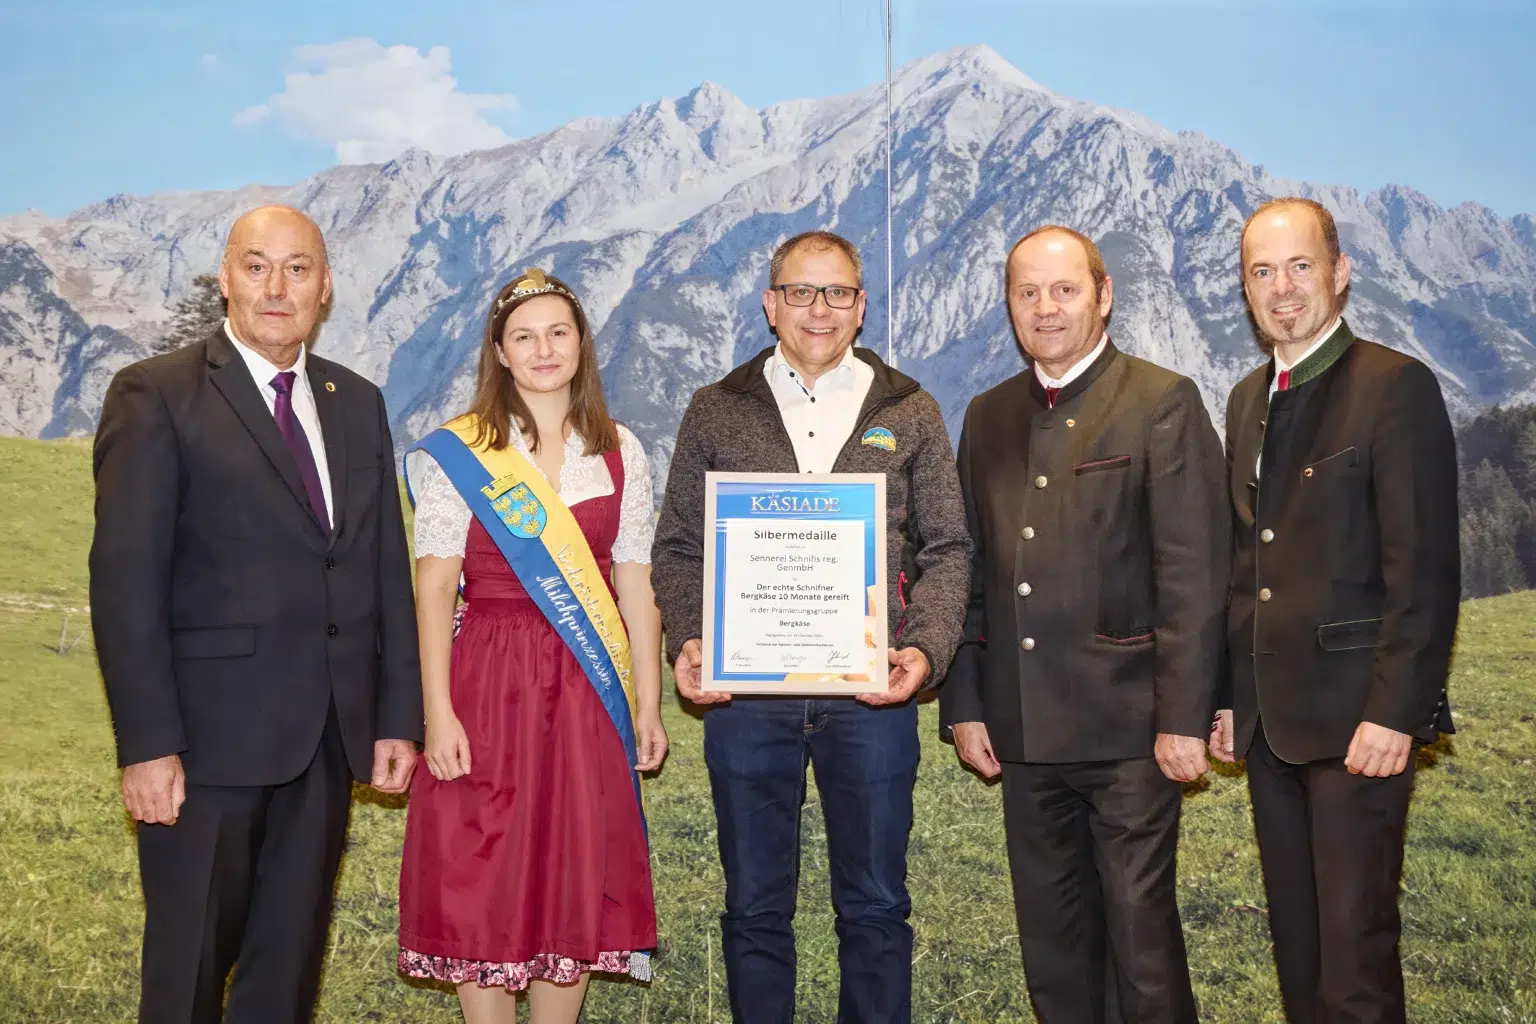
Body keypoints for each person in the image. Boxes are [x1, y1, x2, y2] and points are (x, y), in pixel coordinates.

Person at [89, 204, 423, 1024]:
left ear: (326, 287)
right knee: (187, 975)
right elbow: (126, 580)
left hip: (326, 741)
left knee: (286, 976)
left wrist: (396, 717)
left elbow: (381, 565)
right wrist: (148, 743)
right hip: (203, 749)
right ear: (226, 279)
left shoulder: (357, 400)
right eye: (256, 265)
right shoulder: (156, 393)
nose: (277, 287)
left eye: (298, 268)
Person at [650, 230, 971, 1024]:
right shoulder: (715, 408)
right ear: (771, 304)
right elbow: (680, 547)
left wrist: (924, 650)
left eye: (836, 293)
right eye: (800, 292)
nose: (818, 310)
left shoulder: (912, 409)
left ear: (861, 305)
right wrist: (690, 638)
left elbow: (949, 546)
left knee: (874, 906)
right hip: (749, 698)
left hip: (871, 697)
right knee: (755, 907)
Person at [940, 225, 1229, 1023]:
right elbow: (970, 573)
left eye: (1065, 289)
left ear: (1104, 295)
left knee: (1140, 945)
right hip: (1023, 728)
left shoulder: (1161, 401)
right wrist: (965, 702)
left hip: (1130, 730)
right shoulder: (989, 415)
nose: (1046, 307)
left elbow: (1194, 574)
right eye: (1027, 292)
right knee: (1054, 951)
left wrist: (1184, 718)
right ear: (1008, 306)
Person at [1210, 197, 1459, 1023]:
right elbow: (1245, 567)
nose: (1282, 289)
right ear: (1246, 291)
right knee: (1301, 962)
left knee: (1354, 970)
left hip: (1361, 731)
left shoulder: (1396, 386)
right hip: (1271, 728)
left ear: (1340, 273)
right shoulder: (1247, 399)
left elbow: (1422, 573)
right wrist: (1224, 699)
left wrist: (1398, 712)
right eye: (1262, 272)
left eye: (1300, 266)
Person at [396, 268, 667, 1024]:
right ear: (500, 352)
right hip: (486, 680)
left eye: (558, 332)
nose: (543, 349)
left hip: (588, 687)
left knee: (571, 864)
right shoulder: (462, 452)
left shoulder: (621, 452)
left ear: (581, 343)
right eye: (524, 336)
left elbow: (635, 584)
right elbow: (433, 587)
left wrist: (647, 703)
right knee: (479, 865)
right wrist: (436, 713)